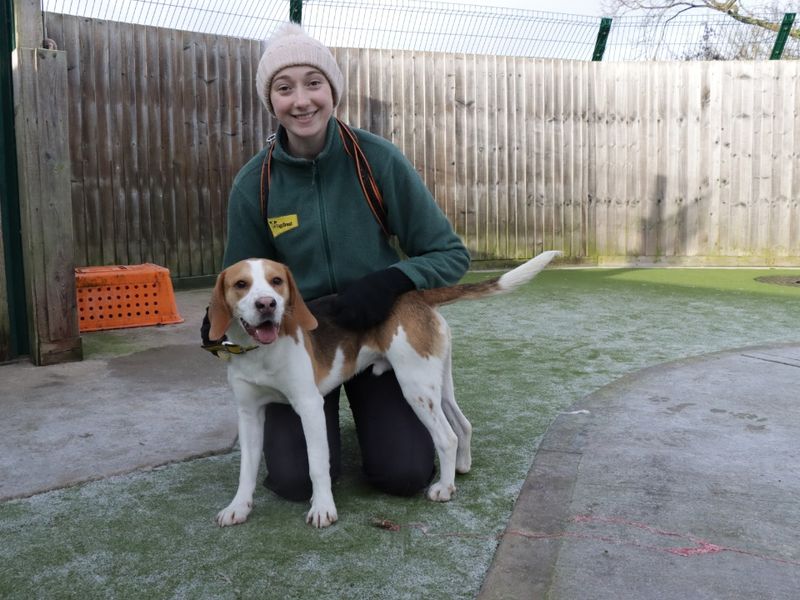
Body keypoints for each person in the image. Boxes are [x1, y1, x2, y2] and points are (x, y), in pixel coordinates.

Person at [207, 22, 471, 502]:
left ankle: (376, 426)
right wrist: (217, 324)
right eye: (284, 89)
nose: (302, 100)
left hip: (373, 319)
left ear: (333, 91)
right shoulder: (255, 184)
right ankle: (323, 430)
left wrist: (391, 279)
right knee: (292, 483)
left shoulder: (378, 160)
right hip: (300, 337)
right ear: (272, 102)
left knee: (405, 474)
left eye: (314, 83)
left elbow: (451, 256)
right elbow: (238, 282)